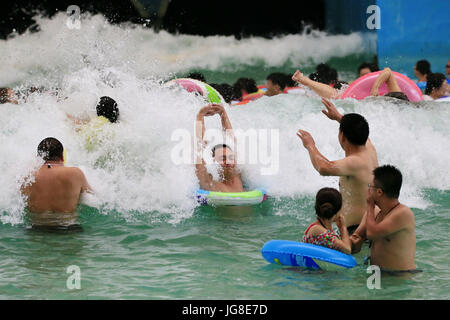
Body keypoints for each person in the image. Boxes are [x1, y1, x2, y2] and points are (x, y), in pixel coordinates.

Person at [297, 99, 379, 233]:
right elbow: (355, 129)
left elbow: (323, 167)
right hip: (370, 224)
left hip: (358, 231)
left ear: (342, 137)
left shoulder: (355, 162)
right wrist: (338, 117)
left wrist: (310, 145)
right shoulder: (369, 148)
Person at [350, 165, 418, 274]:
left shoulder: (403, 214)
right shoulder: (375, 212)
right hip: (376, 275)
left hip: (399, 279)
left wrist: (370, 206)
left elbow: (372, 233)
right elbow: (355, 238)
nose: (368, 190)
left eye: (370, 187)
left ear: (379, 192)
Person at [21, 137, 93, 229]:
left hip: (36, 229)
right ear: (62, 157)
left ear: (39, 157)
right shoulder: (75, 173)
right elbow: (92, 196)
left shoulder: (27, 176)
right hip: (67, 228)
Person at [195, 104, 243, 192]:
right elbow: (200, 150)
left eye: (231, 158)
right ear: (214, 161)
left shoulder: (238, 176)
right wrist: (200, 115)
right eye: (222, 158)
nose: (228, 162)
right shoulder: (210, 183)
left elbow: (233, 142)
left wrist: (223, 113)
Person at [302, 187, 351, 254]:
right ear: (337, 211)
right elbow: (347, 250)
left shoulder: (323, 228)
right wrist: (343, 227)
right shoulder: (317, 229)